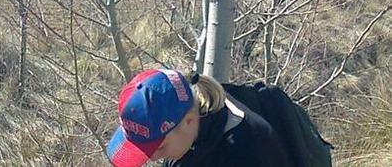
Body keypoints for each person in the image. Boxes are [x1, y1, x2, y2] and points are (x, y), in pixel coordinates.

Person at [107, 69, 292, 167]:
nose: (153, 157)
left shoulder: (250, 150)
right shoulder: (186, 132)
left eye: (160, 146)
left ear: (189, 121)